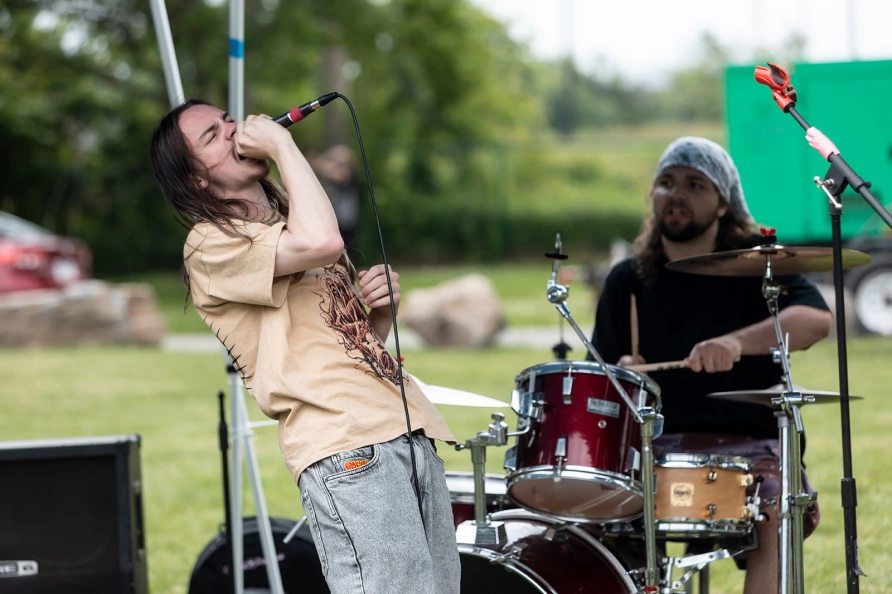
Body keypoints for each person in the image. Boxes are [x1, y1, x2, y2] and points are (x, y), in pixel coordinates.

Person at [149, 100, 460, 594]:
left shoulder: (287, 221)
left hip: (402, 430)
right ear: (196, 181)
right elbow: (322, 242)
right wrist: (283, 144)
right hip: (346, 447)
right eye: (212, 136)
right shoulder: (208, 245)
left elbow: (342, 348)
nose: (233, 131)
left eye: (228, 120)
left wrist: (376, 313)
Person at [589, 137, 832, 593]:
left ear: (723, 202)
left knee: (773, 513)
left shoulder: (756, 264)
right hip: (652, 446)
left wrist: (737, 343)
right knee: (599, 514)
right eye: (665, 182)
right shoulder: (628, 279)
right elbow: (595, 372)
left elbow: (815, 321)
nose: (675, 194)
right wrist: (620, 369)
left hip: (750, 440)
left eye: (694, 184)